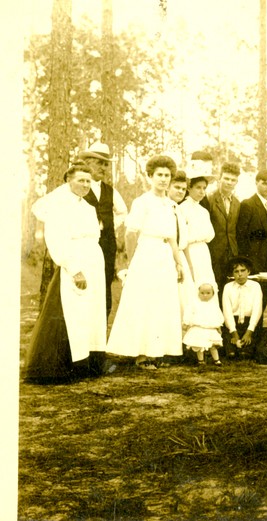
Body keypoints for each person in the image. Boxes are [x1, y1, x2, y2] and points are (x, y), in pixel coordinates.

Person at [25, 163, 107, 382]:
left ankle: (87, 364)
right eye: (80, 180)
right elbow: (56, 240)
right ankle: (63, 365)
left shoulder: (89, 208)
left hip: (93, 261)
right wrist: (74, 269)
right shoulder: (59, 206)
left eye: (88, 181)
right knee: (71, 313)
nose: (85, 185)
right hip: (75, 262)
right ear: (68, 181)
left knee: (90, 313)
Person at [106, 155, 183, 369]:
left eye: (167, 175)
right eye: (159, 175)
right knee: (145, 303)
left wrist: (178, 263)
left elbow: (172, 237)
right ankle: (141, 355)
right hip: (146, 254)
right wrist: (132, 264)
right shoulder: (142, 202)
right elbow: (130, 234)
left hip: (165, 256)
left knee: (162, 303)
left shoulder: (170, 204)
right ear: (150, 176)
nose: (163, 179)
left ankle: (157, 352)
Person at [77, 142, 128, 316]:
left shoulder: (110, 191)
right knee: (85, 285)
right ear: (88, 163)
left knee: (104, 284)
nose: (104, 168)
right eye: (100, 163)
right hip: (84, 245)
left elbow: (123, 212)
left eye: (106, 164)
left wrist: (108, 226)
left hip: (106, 245)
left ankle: (101, 329)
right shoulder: (78, 187)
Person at [207, 162, 241, 294]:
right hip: (214, 252)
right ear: (219, 178)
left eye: (233, 180)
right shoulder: (209, 199)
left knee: (230, 291)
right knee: (215, 288)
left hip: (231, 253)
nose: (229, 182)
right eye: (226, 178)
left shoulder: (237, 203)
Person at [221, 256, 263, 359]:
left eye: (243, 271)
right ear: (232, 274)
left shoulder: (255, 286)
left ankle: (246, 349)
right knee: (231, 353)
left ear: (248, 272)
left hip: (250, 324)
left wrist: (249, 332)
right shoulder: (228, 287)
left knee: (246, 353)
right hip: (233, 323)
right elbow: (227, 311)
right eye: (236, 271)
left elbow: (257, 310)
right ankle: (232, 348)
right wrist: (233, 332)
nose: (240, 274)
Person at [180, 171, 217, 290]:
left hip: (203, 252)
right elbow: (183, 238)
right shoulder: (182, 209)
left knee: (206, 284)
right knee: (192, 283)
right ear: (189, 188)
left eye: (204, 188)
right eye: (198, 188)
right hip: (189, 251)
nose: (202, 191)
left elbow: (210, 235)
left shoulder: (203, 211)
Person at [237, 169, 267, 273]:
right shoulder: (248, 204)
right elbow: (241, 236)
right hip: (253, 260)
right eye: (264, 183)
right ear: (256, 183)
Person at [167, 171, 194, 319]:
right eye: (176, 187)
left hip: (180, 258)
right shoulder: (164, 208)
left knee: (186, 301)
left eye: (183, 189)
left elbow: (184, 242)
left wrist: (189, 266)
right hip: (168, 257)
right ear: (168, 187)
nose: (180, 191)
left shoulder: (179, 209)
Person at [183, 282, 224, 366]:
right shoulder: (195, 304)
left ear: (213, 294)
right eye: (202, 293)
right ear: (198, 293)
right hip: (199, 328)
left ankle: (216, 359)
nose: (205, 295)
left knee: (213, 345)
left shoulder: (214, 305)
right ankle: (201, 360)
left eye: (208, 293)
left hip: (211, 328)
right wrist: (186, 322)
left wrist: (218, 326)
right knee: (199, 345)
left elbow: (218, 316)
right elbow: (189, 313)